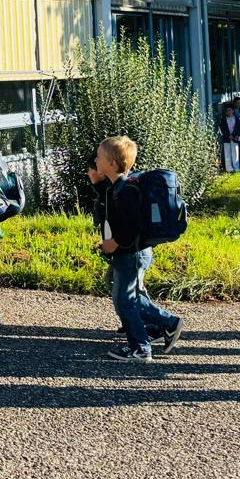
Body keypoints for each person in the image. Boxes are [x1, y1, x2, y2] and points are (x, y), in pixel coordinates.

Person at [89, 136, 183, 363]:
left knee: (125, 301)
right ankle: (168, 324)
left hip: (130, 254)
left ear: (112, 163)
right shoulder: (117, 186)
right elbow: (109, 204)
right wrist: (97, 182)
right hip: (129, 253)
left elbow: (132, 226)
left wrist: (114, 242)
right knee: (125, 296)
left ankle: (140, 347)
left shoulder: (126, 191)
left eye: (99, 157)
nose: (95, 160)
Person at [219, 103, 240, 173]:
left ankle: (236, 167)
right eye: (227, 111)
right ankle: (229, 168)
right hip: (227, 138)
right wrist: (228, 135)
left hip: (235, 138)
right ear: (225, 112)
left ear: (233, 110)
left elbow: (239, 128)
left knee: (235, 153)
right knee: (227, 153)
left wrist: (237, 135)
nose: (229, 112)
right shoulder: (223, 120)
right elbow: (222, 129)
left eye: (230, 110)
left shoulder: (237, 119)